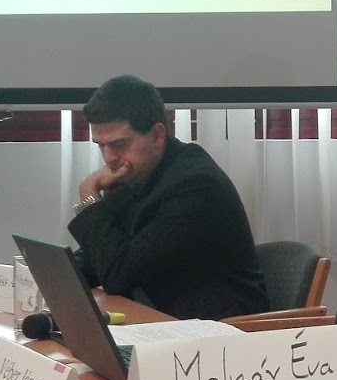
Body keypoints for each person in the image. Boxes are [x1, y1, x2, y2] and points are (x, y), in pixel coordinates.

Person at [68, 75, 269, 319]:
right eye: (101, 145)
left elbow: (120, 275)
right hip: (165, 320)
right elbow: (99, 260)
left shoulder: (195, 183)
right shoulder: (133, 175)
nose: (109, 158)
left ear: (157, 136)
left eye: (119, 144)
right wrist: (50, 276)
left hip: (220, 326)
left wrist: (89, 194)